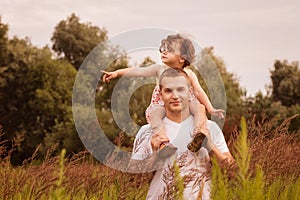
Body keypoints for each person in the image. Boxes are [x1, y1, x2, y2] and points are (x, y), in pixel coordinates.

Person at [102, 34, 224, 157]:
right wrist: (116, 73)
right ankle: (163, 143)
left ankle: (200, 135)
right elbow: (137, 71)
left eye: (170, 50)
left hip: (186, 103)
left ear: (182, 58)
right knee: (155, 114)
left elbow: (198, 91)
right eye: (163, 49)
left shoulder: (189, 74)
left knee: (200, 109)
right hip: (162, 104)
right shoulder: (159, 69)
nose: (164, 52)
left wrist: (210, 108)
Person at [131, 68, 234, 199]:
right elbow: (134, 180)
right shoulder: (148, 131)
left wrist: (210, 146)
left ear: (189, 92)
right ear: (160, 94)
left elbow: (232, 172)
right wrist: (155, 154)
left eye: (180, 89)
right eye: (168, 90)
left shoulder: (209, 128)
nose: (175, 96)